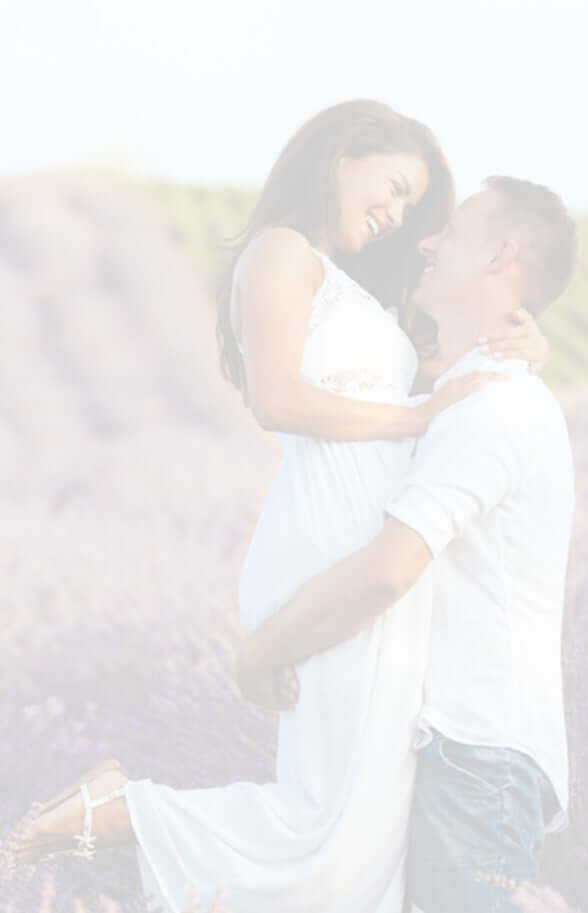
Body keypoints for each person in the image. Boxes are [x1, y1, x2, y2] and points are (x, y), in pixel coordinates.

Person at [14, 102, 548, 913]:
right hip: (333, 551)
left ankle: (112, 812)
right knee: (330, 838)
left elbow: (447, 375)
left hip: (375, 555)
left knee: (360, 839)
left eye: (412, 206)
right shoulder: (281, 251)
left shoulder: (357, 292)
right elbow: (278, 398)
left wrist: (526, 339)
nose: (397, 214)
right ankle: (107, 812)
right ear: (341, 154)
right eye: (395, 187)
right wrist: (411, 416)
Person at [233, 176, 578, 913]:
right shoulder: (464, 395)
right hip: (456, 753)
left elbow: (388, 572)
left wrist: (263, 649)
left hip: (475, 757)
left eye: (449, 229)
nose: (426, 240)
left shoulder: (495, 405)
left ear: (502, 254)